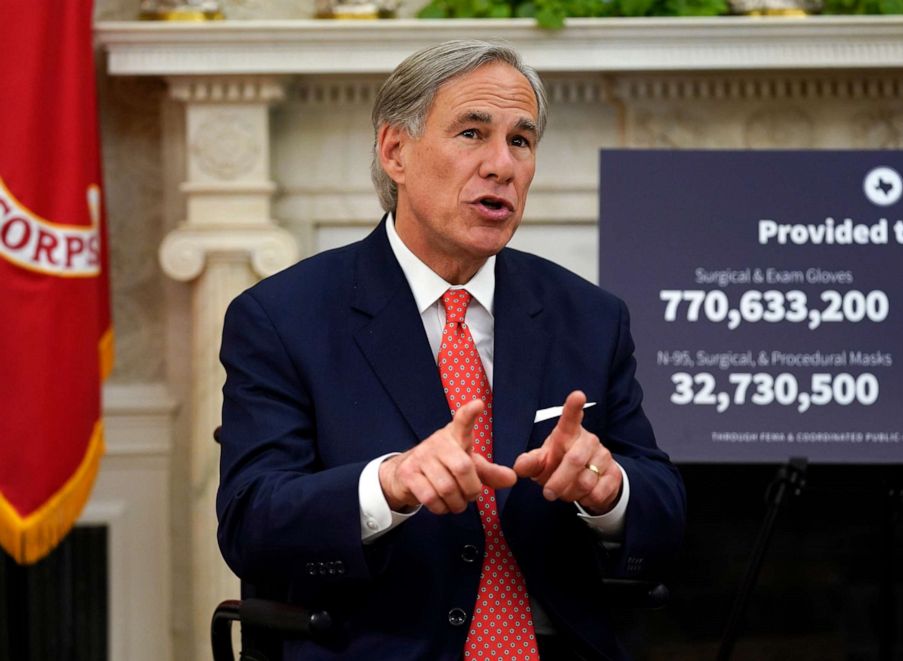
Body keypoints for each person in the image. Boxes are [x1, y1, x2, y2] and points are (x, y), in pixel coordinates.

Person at [217, 40, 686, 661]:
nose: (502, 165)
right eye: (472, 133)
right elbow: (252, 522)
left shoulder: (589, 316)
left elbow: (664, 506)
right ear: (395, 151)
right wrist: (389, 484)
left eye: (521, 141)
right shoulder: (283, 318)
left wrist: (609, 490)